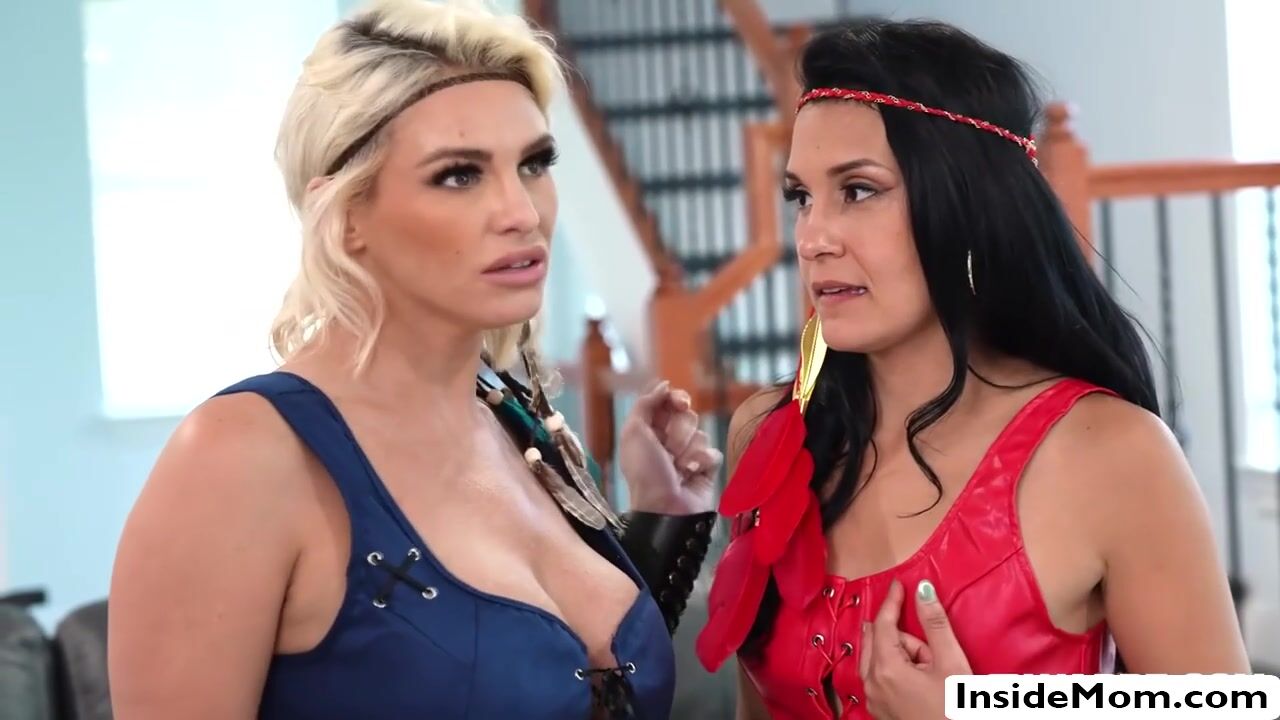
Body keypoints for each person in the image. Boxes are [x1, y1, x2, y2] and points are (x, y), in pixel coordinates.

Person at [106, 1, 722, 718]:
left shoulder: (515, 421)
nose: (522, 212)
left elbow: (573, 686)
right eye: (459, 175)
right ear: (347, 214)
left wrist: (662, 521)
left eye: (534, 163)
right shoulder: (240, 459)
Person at [695, 17, 1251, 720]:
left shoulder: (1110, 454)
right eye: (801, 197)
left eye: (858, 190)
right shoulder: (770, 435)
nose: (813, 237)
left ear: (967, 207)